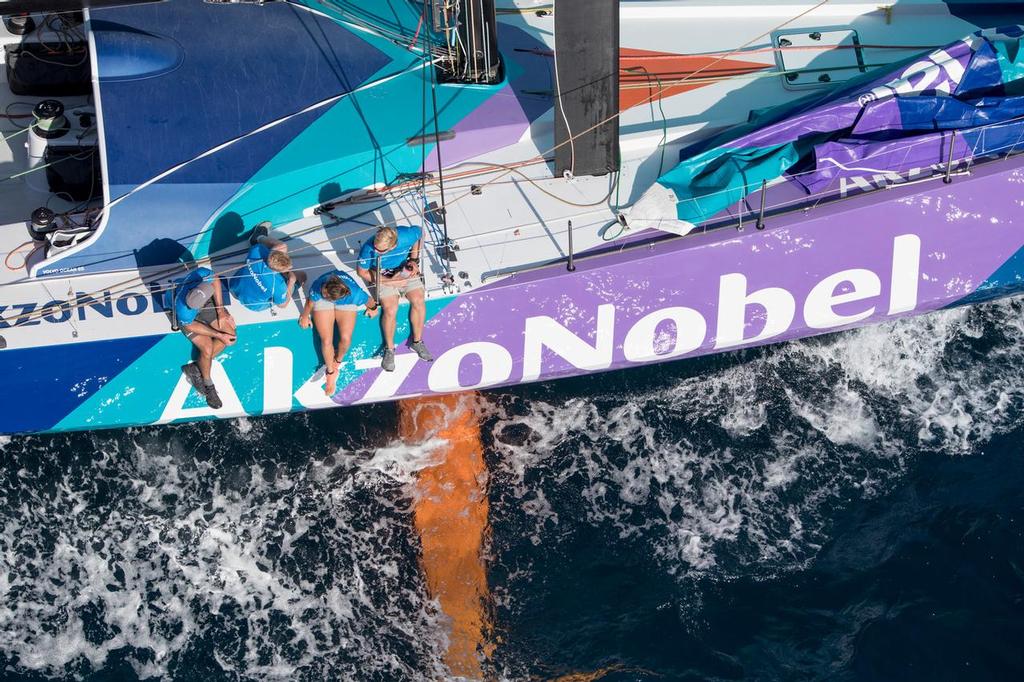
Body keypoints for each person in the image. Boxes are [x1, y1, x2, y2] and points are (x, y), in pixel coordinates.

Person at [356, 225, 432, 372]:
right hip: (381, 275)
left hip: (404, 269)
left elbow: (420, 233)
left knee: (418, 299)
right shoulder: (369, 247)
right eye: (375, 247)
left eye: (380, 250)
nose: (375, 250)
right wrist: (391, 281)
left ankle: (417, 342)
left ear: (393, 245)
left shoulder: (406, 235)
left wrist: (413, 260)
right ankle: (389, 349)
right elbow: (362, 272)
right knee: (390, 308)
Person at [299, 269, 379, 395]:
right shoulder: (320, 286)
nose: (322, 291)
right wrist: (304, 316)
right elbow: (310, 302)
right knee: (326, 341)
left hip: (345, 300)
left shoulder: (356, 295)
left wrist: (373, 308)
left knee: (346, 339)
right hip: (324, 299)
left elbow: (369, 301)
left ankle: (337, 362)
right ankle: (331, 372)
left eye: (324, 293)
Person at [174, 267, 236, 409]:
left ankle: (196, 367)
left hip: (205, 303)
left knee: (232, 337)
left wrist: (220, 311)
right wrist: (219, 334)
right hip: (191, 319)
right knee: (207, 349)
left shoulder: (201, 274)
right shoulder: (184, 311)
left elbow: (215, 279)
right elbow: (191, 326)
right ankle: (208, 384)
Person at [227, 221, 302, 312]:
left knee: (282, 246)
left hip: (234, 287)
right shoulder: (278, 286)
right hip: (252, 305)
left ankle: (258, 237)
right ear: (279, 271)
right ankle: (295, 282)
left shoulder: (256, 250)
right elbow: (282, 305)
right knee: (302, 276)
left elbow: (273, 250)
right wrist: (291, 282)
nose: (290, 267)